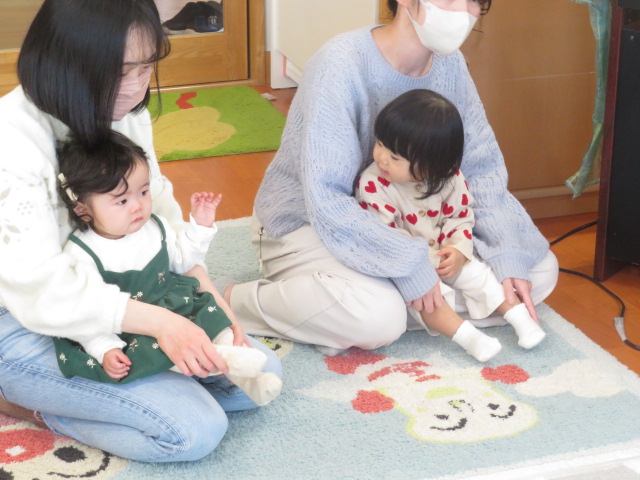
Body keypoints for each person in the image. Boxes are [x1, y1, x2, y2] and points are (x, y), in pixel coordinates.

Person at [0, 0, 281, 462]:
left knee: (257, 375)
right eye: (119, 71)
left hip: (128, 292)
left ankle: (140, 389)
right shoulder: (13, 140)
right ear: (67, 63)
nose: (135, 88)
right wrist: (165, 325)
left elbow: (158, 215)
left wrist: (210, 299)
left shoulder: (123, 109)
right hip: (28, 321)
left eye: (145, 68)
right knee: (193, 431)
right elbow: (41, 291)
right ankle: (29, 403)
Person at [222, 0, 558, 355]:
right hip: (309, 221)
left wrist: (505, 249)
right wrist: (407, 263)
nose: (465, 10)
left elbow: (480, 168)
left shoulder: (452, 65)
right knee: (378, 317)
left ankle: (373, 308)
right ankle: (231, 300)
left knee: (537, 272)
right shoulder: (339, 63)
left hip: (416, 223)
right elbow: (326, 199)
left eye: (474, 1)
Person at [54, 131, 282, 405]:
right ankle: (223, 362)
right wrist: (104, 348)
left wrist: (200, 227)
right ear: (82, 209)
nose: (138, 206)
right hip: (134, 331)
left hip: (176, 305)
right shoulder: (81, 254)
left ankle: (247, 375)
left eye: (143, 192)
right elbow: (84, 315)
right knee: (156, 353)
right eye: (122, 201)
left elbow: (182, 261)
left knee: (213, 318)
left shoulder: (155, 226)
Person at [355, 89, 545, 362]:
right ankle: (470, 338)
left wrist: (458, 251)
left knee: (480, 274)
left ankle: (521, 319)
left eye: (395, 157)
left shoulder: (450, 178)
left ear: (433, 165)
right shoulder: (374, 183)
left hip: (446, 257)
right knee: (430, 299)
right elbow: (383, 235)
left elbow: (459, 216)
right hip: (407, 267)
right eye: (380, 144)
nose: (382, 158)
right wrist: (422, 265)